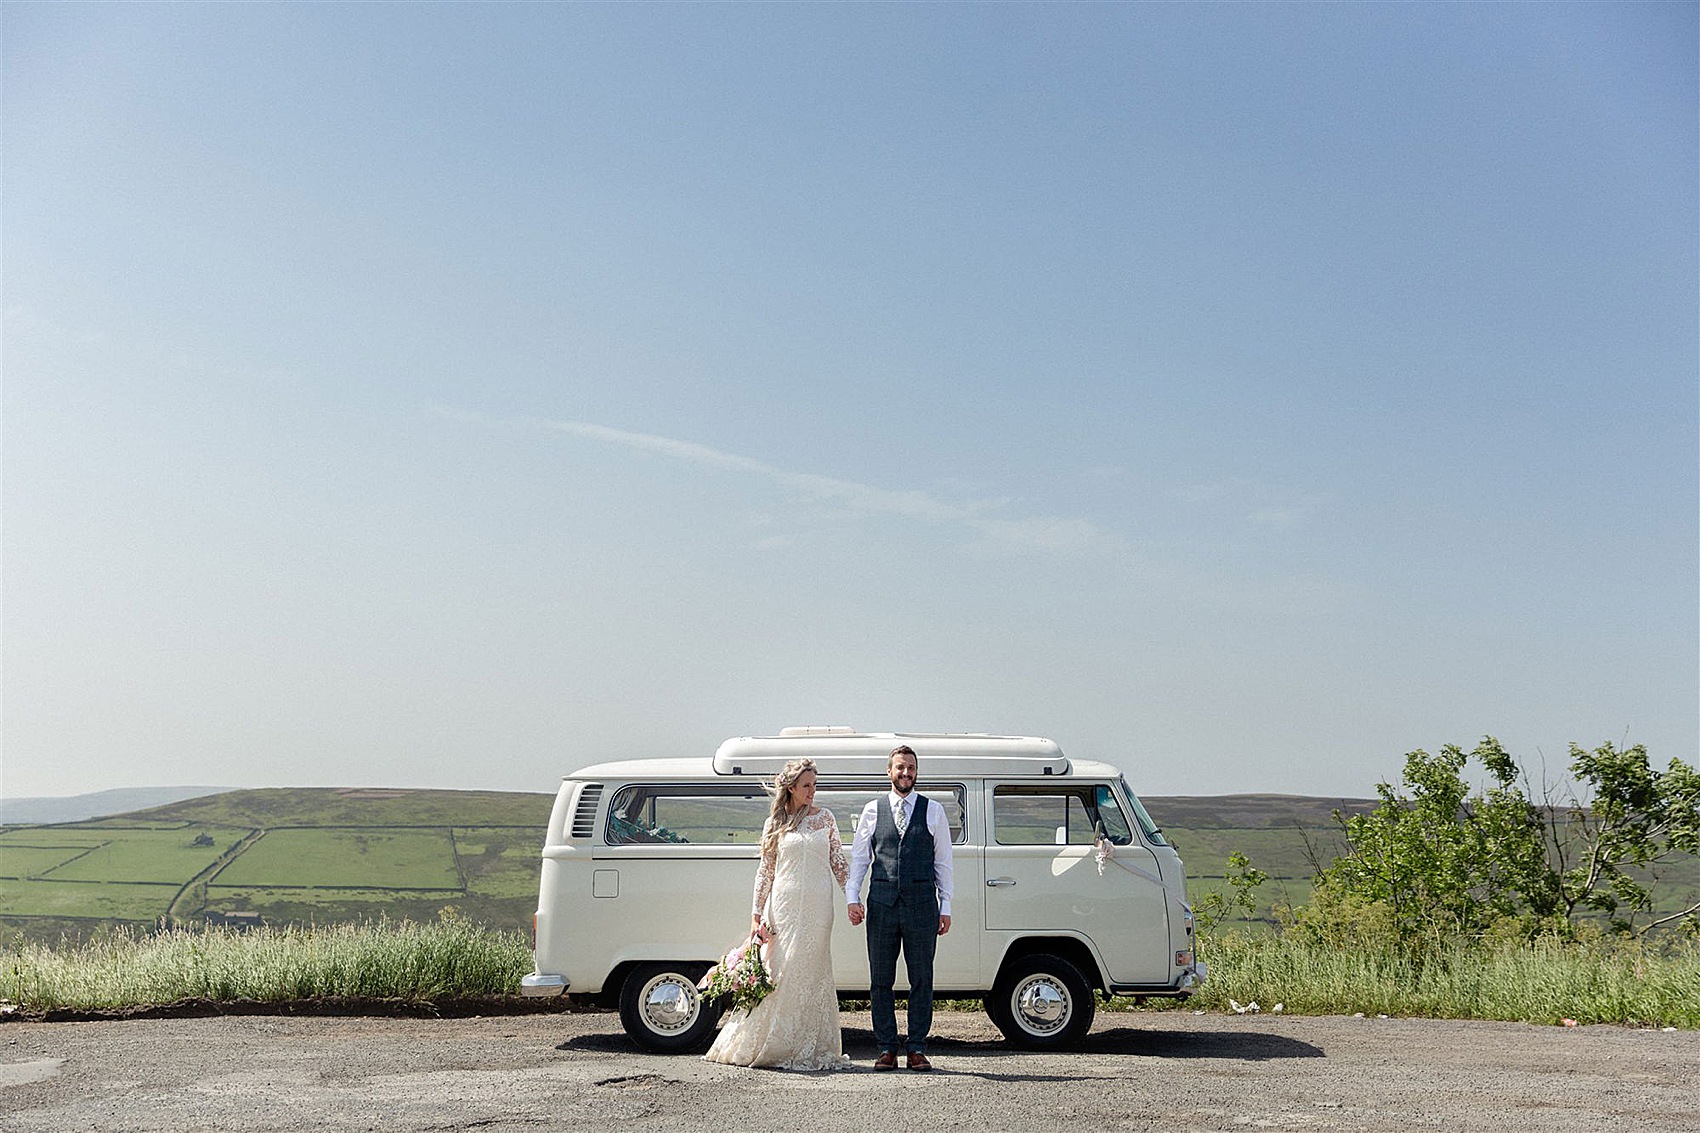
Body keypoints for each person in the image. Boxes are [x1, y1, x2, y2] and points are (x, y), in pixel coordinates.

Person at [704, 757, 851, 1070]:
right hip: (782, 905)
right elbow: (765, 871)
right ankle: (771, 1042)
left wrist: (853, 898)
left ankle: (809, 1044)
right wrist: (756, 914)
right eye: (806, 786)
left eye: (815, 785)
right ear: (792, 788)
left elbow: (839, 863)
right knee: (780, 972)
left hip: (818, 908)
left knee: (812, 971)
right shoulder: (775, 823)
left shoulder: (825, 818)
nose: (812, 791)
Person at [846, 744, 954, 1071]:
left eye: (910, 768)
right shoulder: (872, 810)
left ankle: (917, 1048)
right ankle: (887, 1048)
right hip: (881, 904)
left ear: (916, 772)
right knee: (881, 979)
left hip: (922, 906)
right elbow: (860, 858)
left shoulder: (933, 810)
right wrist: (854, 896)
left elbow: (943, 862)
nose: (905, 773)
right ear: (889, 772)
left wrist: (945, 904)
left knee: (922, 977)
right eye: (899, 767)